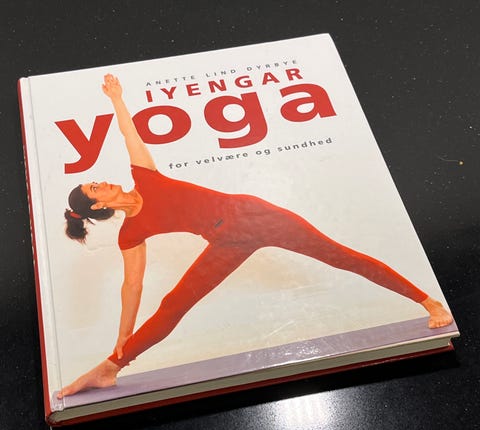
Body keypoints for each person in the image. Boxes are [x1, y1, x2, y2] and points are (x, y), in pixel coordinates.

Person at [58, 74, 453, 398]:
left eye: (96, 181)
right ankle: (110, 368)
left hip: (257, 216)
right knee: (173, 303)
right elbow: (132, 285)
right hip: (227, 243)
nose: (102, 183)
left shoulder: (144, 176)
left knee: (340, 256)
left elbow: (129, 134)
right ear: (97, 205)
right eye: (95, 188)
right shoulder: (132, 232)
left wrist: (117, 99)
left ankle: (430, 302)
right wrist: (123, 335)